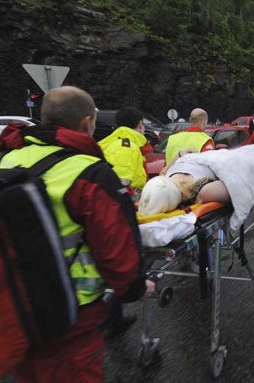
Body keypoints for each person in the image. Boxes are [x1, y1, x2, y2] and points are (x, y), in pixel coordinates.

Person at [0, 86, 154, 382]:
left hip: (12, 305)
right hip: (70, 312)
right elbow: (116, 249)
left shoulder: (6, 160)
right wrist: (135, 288)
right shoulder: (89, 172)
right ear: (86, 123)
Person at [97, 107, 152, 336]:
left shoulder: (114, 142)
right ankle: (108, 315)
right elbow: (120, 183)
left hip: (121, 203)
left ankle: (114, 318)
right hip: (125, 204)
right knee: (128, 259)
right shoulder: (124, 145)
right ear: (139, 124)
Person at [98, 107, 152, 201]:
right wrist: (133, 200)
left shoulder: (121, 143)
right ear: (140, 124)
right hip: (123, 206)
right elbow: (119, 187)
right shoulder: (126, 147)